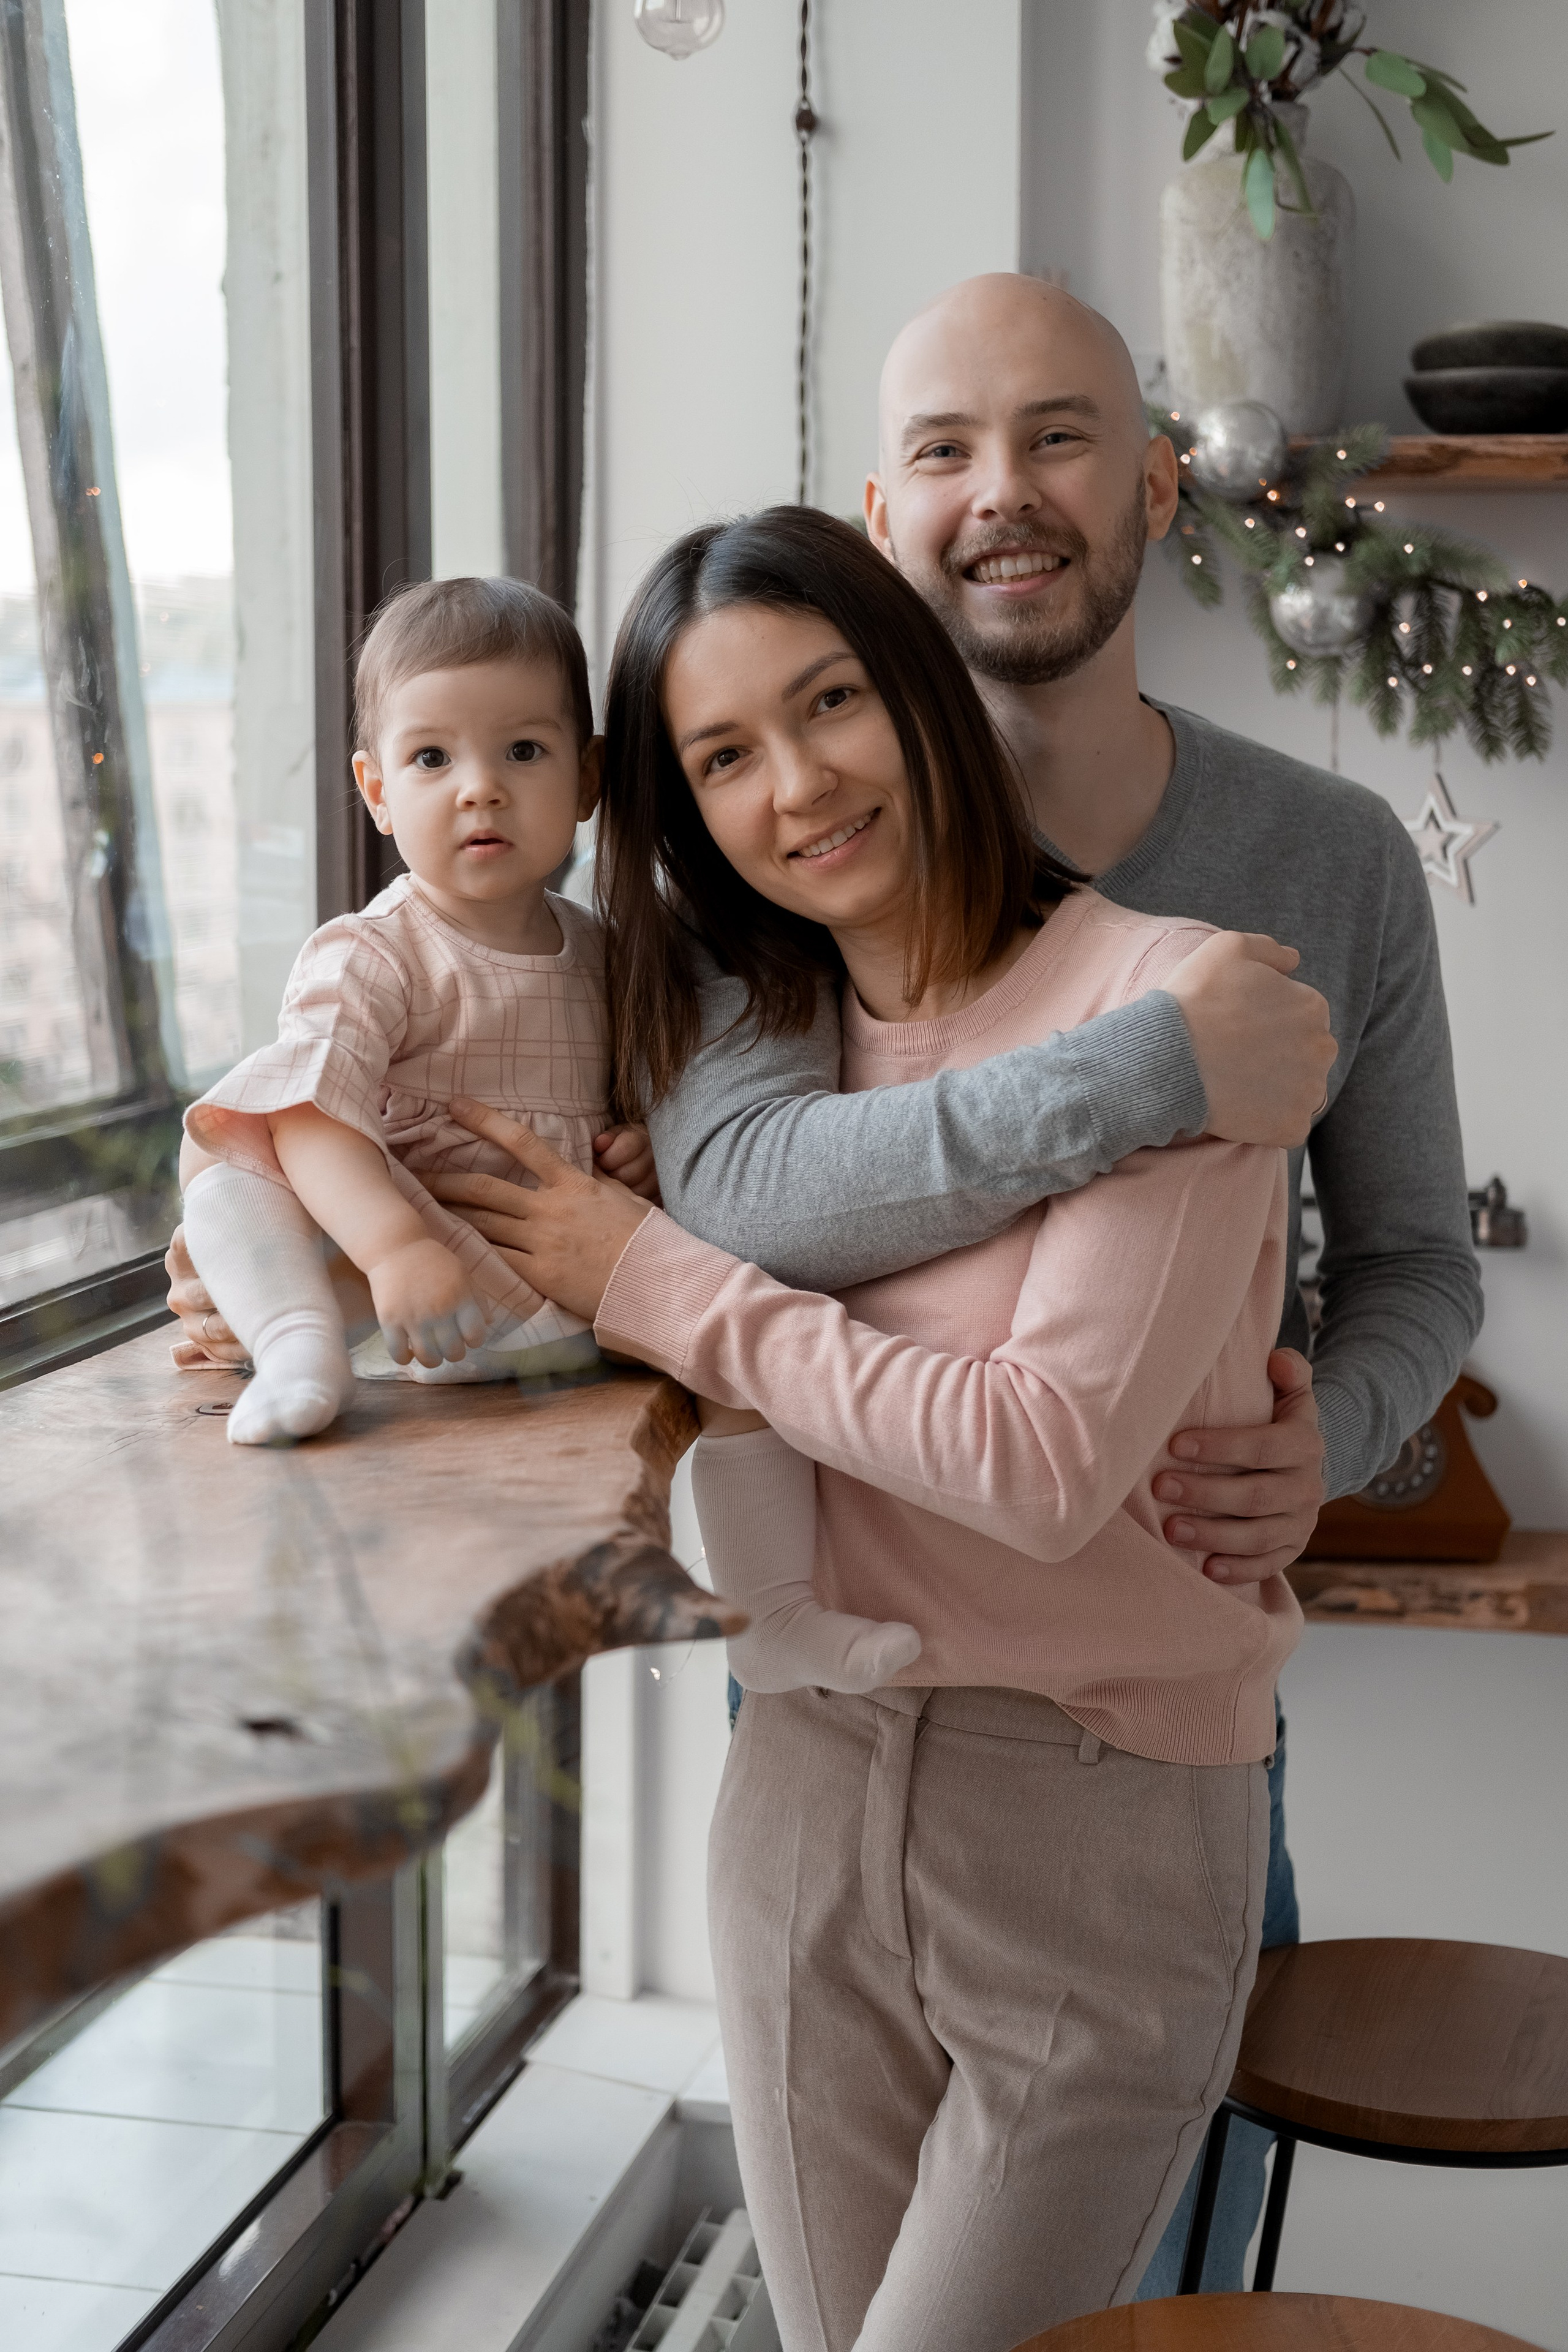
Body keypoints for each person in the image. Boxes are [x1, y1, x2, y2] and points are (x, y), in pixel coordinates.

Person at [636, 277, 1482, 2292]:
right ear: (876, 513)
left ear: (1159, 492)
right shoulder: (793, 849)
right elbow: (752, 1189)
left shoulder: (1332, 856)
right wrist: (1154, 1079)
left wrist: (1341, 1437)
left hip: (1145, 1714)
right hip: (836, 1724)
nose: (1001, 495)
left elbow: (1415, 1265)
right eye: (943, 451)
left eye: (1060, 436)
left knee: (1166, 2289)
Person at [433, 504, 1302, 2351]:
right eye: (724, 756)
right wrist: (239, 1266)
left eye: (829, 702)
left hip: (1097, 1824)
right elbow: (434, 1141)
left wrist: (657, 1275)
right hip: (806, 1790)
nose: (799, 785)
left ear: (916, 690)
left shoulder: (1177, 1003)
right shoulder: (732, 1047)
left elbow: (1038, 1465)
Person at [172, 576, 654, 1444]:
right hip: (393, 1290)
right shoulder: (373, 950)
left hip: (553, 1299)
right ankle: (296, 1343)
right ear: (377, 789)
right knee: (231, 1178)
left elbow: (631, 1102)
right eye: (433, 758)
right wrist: (396, 1247)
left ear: (588, 778)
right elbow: (311, 1117)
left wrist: (639, 1151)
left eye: (523, 751)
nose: (481, 789)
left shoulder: (611, 957)